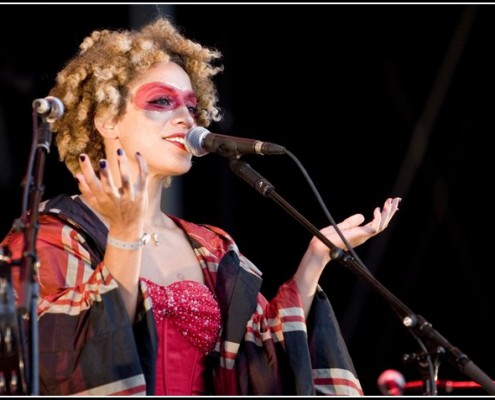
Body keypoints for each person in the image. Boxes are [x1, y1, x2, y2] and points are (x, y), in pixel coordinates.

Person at [1, 15, 401, 396]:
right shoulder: (51, 237)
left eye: (191, 107)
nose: (187, 120)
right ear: (106, 118)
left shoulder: (211, 246)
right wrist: (124, 235)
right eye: (162, 101)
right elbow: (64, 362)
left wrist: (315, 260)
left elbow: (262, 365)